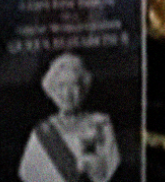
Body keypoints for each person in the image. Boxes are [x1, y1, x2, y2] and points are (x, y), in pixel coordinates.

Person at [18, 52, 120, 182]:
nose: (67, 93)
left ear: (84, 88)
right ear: (52, 91)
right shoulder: (43, 131)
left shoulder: (100, 124)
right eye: (61, 86)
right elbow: (28, 174)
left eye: (74, 85)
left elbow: (110, 170)